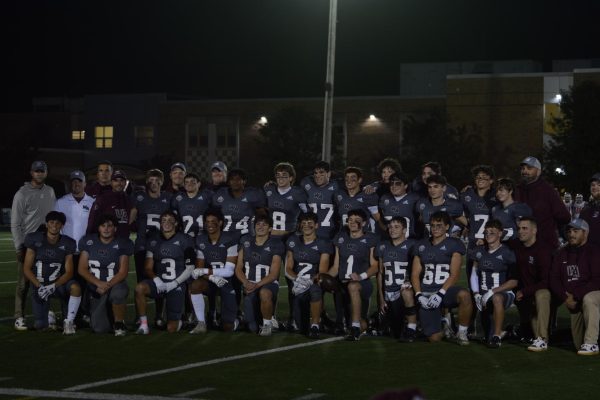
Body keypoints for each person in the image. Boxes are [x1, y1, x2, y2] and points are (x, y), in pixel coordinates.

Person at [411, 211, 472, 345]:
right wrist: (419, 295)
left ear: (447, 227)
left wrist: (440, 293)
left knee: (465, 295)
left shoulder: (454, 244)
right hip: (427, 292)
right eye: (432, 225)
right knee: (435, 339)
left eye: (439, 225)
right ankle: (444, 322)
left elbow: (454, 274)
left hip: (444, 291)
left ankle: (462, 333)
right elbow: (415, 274)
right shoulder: (421, 245)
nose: (435, 228)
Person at [11, 160, 56, 330]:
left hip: (46, 244)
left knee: (47, 279)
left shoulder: (50, 191)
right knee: (23, 283)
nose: (39, 173)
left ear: (46, 173)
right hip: (28, 245)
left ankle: (47, 313)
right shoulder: (21, 194)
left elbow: (53, 217)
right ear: (31, 173)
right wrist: (18, 246)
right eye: (36, 171)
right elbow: (15, 224)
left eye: (42, 171)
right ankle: (19, 316)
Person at [134, 211, 195, 334]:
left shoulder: (185, 239)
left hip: (177, 284)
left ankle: (182, 321)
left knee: (171, 328)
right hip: (160, 283)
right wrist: (157, 280)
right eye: (163, 220)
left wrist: (174, 283)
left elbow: (190, 268)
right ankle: (144, 325)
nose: (166, 223)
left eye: (170, 220)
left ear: (176, 223)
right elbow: (148, 267)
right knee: (140, 288)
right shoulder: (153, 241)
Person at [22, 211, 81, 334]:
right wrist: (39, 285)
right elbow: (27, 268)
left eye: (58, 223)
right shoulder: (35, 239)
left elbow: (69, 272)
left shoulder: (67, 242)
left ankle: (69, 321)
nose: (54, 225)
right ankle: (49, 316)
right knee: (40, 326)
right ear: (46, 224)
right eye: (51, 222)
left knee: (75, 287)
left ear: (62, 226)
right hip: (40, 286)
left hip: (57, 285)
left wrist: (53, 286)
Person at [550, 218, 600, 355]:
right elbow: (554, 279)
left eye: (576, 231)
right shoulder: (562, 253)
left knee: (589, 299)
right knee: (579, 345)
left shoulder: (594, 251)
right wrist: (565, 298)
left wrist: (576, 295)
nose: (571, 234)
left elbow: (597, 280)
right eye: (569, 231)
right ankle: (588, 342)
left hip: (594, 294)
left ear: (586, 233)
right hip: (573, 299)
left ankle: (592, 343)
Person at [78, 214, 134, 335]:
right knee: (100, 329)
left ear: (115, 228)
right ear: (98, 228)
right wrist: (99, 284)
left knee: (118, 293)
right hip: (96, 287)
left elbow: (123, 272)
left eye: (110, 226)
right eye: (103, 226)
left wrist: (106, 285)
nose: (106, 229)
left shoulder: (122, 243)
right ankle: (107, 315)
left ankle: (119, 323)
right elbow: (82, 269)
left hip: (115, 284)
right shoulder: (88, 242)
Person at [328, 209, 379, 341]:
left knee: (353, 286)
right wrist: (322, 278)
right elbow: (335, 266)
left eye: (357, 220)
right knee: (319, 285)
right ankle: (316, 323)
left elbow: (375, 266)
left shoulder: (370, 239)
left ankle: (355, 327)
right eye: (350, 220)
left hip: (361, 284)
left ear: (364, 223)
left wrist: (361, 276)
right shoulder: (341, 238)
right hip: (342, 285)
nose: (352, 223)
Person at [130, 169, 173, 326]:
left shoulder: (168, 198)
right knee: (141, 281)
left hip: (161, 246)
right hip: (142, 245)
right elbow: (131, 217)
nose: (153, 183)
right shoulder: (139, 197)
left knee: (160, 279)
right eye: (150, 180)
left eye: (156, 180)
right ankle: (139, 315)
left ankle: (159, 315)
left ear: (162, 182)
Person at [189, 208, 239, 333]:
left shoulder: (230, 239)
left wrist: (206, 272)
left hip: (227, 282)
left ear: (220, 223)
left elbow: (229, 271)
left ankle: (236, 320)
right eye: (207, 221)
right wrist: (211, 277)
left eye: (213, 221)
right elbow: (199, 269)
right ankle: (201, 323)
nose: (209, 224)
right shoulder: (201, 240)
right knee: (195, 285)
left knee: (227, 328)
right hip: (211, 281)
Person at [54, 170, 95, 322]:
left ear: (85, 184)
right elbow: (55, 226)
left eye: (79, 181)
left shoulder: (92, 202)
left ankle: (83, 314)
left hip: (86, 252)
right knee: (67, 284)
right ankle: (67, 316)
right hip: (67, 252)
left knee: (85, 285)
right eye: (73, 181)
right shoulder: (61, 202)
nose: (76, 184)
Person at [470, 219, 518, 348]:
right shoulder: (479, 251)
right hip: (483, 294)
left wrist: (492, 291)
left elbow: (514, 281)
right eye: (486, 232)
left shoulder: (507, 253)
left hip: (502, 293)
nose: (488, 235)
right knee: (487, 337)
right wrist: (476, 294)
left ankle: (497, 337)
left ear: (500, 234)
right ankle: (505, 332)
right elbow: (474, 274)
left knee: (496, 299)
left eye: (492, 232)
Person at [285, 212, 333, 338]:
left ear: (316, 225)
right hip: (298, 283)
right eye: (304, 223)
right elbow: (288, 268)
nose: (306, 225)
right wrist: (297, 279)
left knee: (315, 290)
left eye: (310, 223)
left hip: (313, 282)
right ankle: (312, 321)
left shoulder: (323, 243)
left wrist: (310, 281)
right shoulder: (293, 241)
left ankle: (315, 325)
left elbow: (322, 271)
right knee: (302, 327)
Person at [235, 214, 285, 336]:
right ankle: (264, 319)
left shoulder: (276, 244)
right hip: (249, 285)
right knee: (252, 328)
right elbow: (238, 268)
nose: (260, 227)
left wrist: (255, 286)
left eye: (264, 224)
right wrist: (246, 283)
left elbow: (274, 274)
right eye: (258, 224)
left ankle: (268, 324)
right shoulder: (245, 241)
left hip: (267, 284)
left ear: (270, 229)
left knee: (264, 293)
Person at [511, 217, 552, 351]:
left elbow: (546, 281)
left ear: (534, 231)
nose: (521, 231)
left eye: (525, 228)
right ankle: (536, 335)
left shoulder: (543, 250)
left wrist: (524, 291)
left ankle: (542, 339)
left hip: (546, 291)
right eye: (519, 228)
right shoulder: (517, 247)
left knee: (541, 295)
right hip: (526, 292)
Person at [376, 216, 418, 341]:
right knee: (395, 332)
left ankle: (412, 327)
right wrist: (381, 297)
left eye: (396, 227)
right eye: (390, 227)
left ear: (404, 230)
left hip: (404, 292)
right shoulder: (383, 246)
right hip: (389, 293)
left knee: (406, 292)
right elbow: (380, 273)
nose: (392, 230)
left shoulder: (412, 245)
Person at [516, 156, 571, 249]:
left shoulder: (548, 191)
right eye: (523, 168)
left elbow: (564, 216)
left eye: (529, 168)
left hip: (544, 245)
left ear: (538, 172)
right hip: (521, 245)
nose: (524, 171)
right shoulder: (517, 189)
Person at [212, 168, 266, 237]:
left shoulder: (252, 194)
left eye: (238, 179)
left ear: (244, 181)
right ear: (228, 182)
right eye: (232, 179)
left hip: (247, 236)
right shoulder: (221, 194)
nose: (235, 182)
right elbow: (214, 217)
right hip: (226, 236)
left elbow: (262, 216)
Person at [86, 169, 134, 238]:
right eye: (116, 180)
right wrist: (89, 239)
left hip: (124, 242)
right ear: (111, 182)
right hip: (106, 243)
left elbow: (132, 225)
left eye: (121, 180)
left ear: (125, 183)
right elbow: (93, 221)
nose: (119, 183)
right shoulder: (102, 198)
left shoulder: (129, 200)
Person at [264, 162, 308, 236]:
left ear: (291, 178)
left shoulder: (298, 193)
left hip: (289, 236)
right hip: (270, 236)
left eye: (284, 175)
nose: (280, 178)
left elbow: (308, 214)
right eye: (278, 175)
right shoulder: (268, 190)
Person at [300, 161, 340, 240]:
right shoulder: (306, 183)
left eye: (321, 172)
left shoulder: (337, 186)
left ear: (328, 174)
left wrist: (369, 187)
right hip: (310, 234)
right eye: (315, 173)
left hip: (330, 235)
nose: (317, 175)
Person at [335, 167, 381, 233]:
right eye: (347, 177)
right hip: (344, 236)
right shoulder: (339, 195)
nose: (349, 180)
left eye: (352, 177)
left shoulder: (368, 195)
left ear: (359, 180)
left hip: (363, 236)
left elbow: (377, 219)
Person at [378, 172, 420, 238]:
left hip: (409, 240)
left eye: (398, 183)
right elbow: (379, 217)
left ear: (405, 186)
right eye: (392, 183)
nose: (394, 186)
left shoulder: (414, 199)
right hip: (388, 240)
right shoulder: (384, 198)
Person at [172, 172, 214, 238]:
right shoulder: (178, 198)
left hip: (204, 236)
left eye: (192, 181)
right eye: (187, 182)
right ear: (184, 185)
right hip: (186, 237)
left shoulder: (207, 195)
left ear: (199, 184)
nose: (189, 184)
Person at [579, 173, 600, 248]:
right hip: (586, 253)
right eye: (592, 185)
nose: (595, 187)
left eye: (599, 185)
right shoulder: (586, 209)